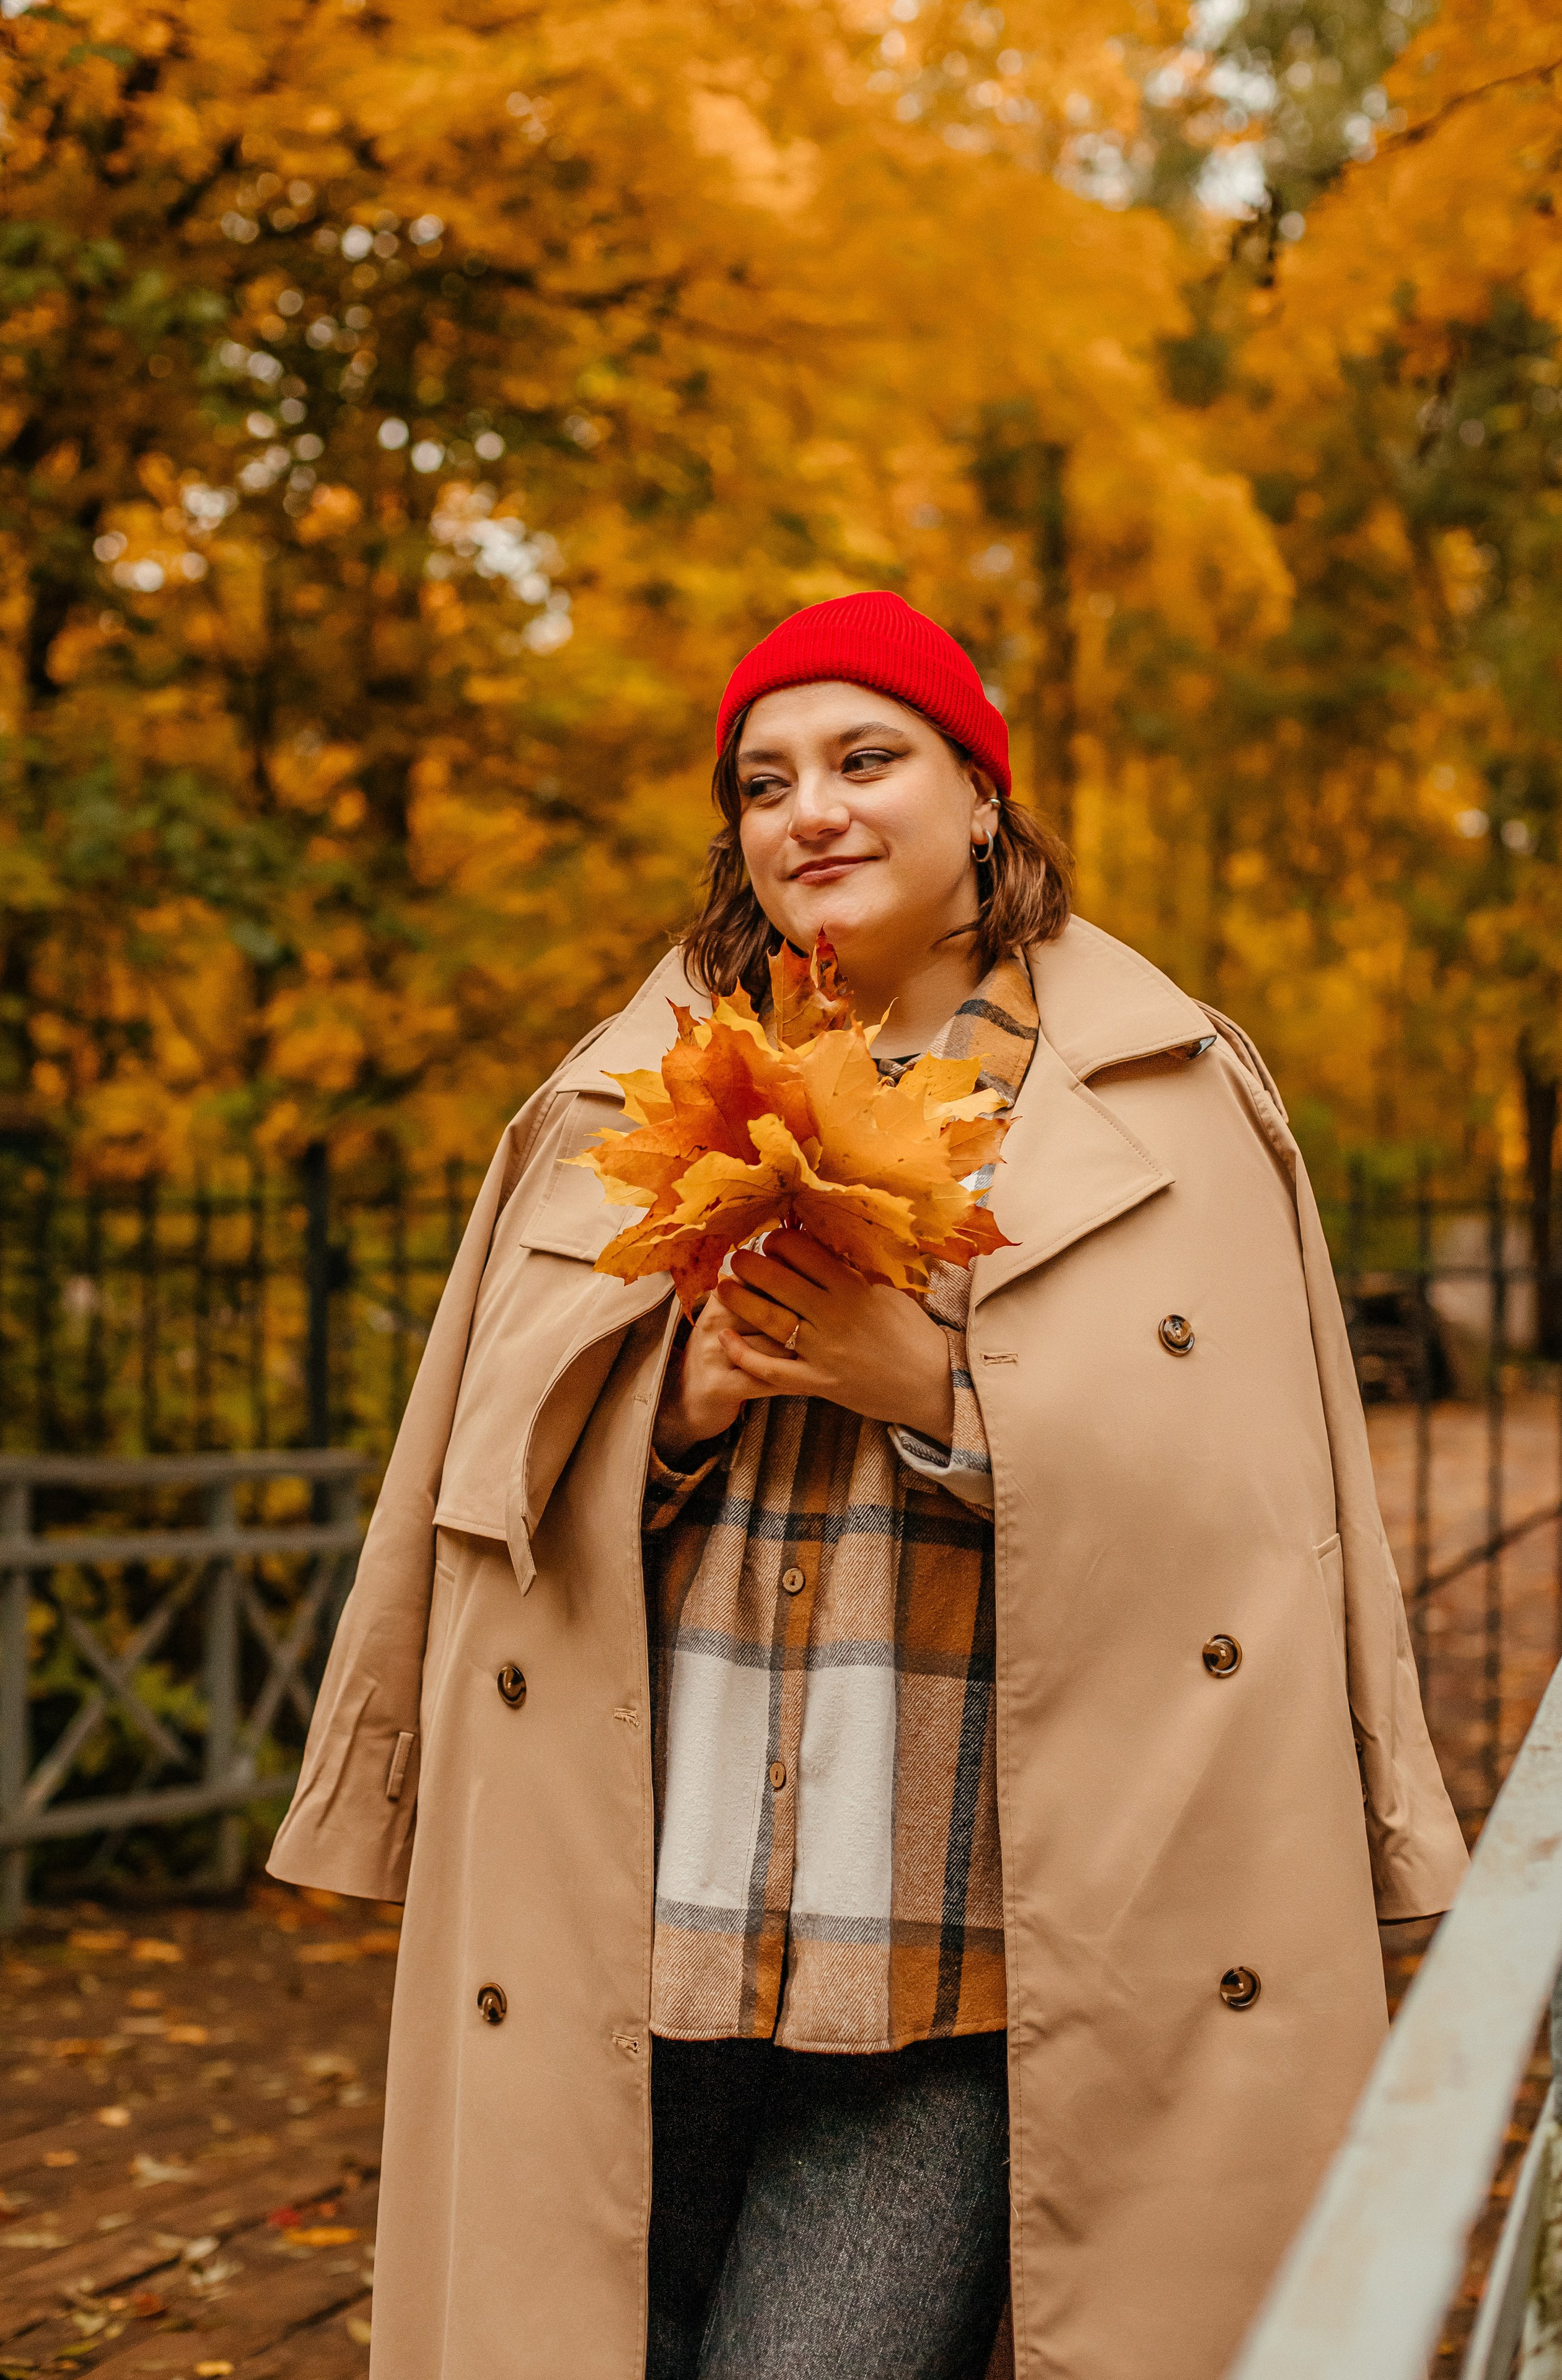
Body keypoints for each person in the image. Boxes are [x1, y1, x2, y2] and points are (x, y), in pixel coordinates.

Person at [268, 592, 1468, 2380]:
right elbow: (476, 1479)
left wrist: (947, 1392)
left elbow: (1261, 1535)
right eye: (764, 780)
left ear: (983, 795)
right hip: (633, 1934)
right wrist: (672, 1395)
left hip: (955, 1953)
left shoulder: (1167, 1094)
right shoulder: (622, 1093)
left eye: (864, 758)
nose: (808, 810)